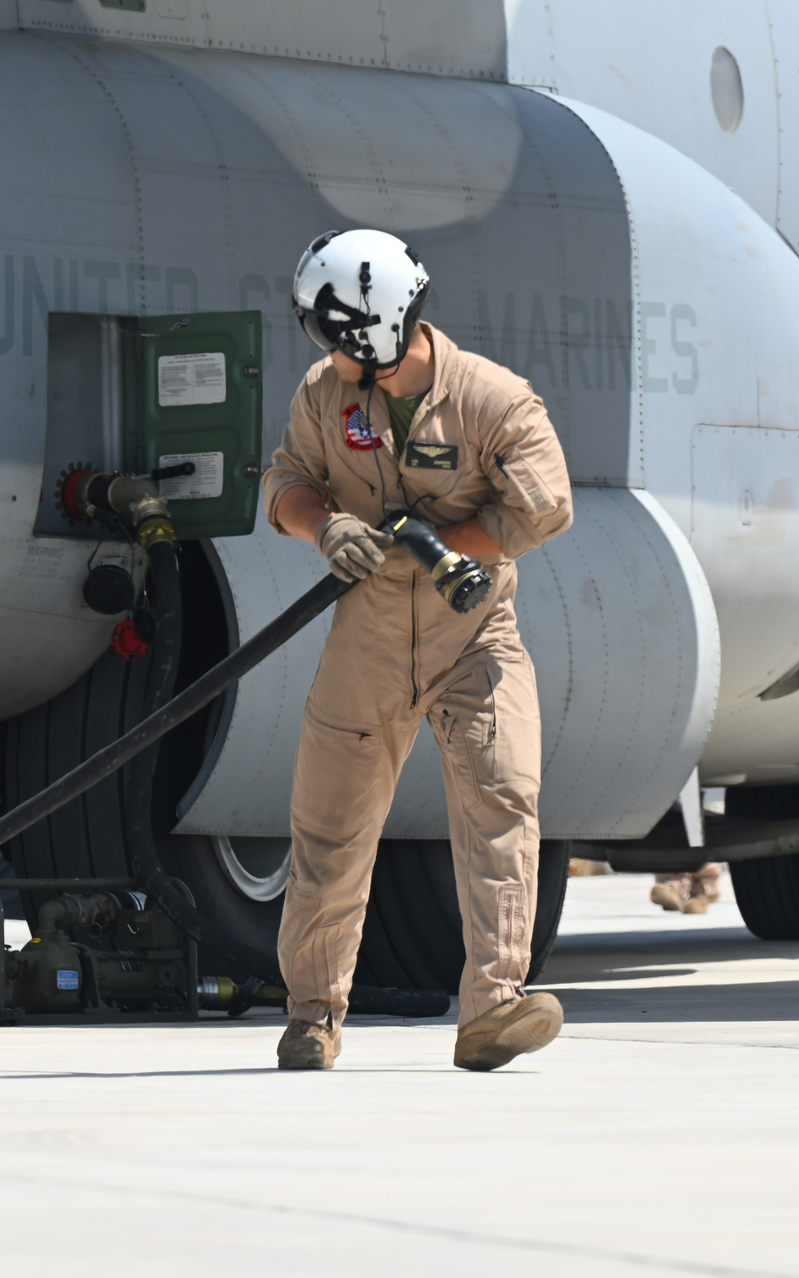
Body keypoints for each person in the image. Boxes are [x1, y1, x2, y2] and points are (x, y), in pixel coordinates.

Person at [262, 229, 575, 1071]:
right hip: (365, 639)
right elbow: (284, 479)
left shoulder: (494, 402)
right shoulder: (326, 395)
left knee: (502, 804)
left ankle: (493, 1010)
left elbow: (546, 510)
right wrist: (322, 524)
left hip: (473, 634)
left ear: (373, 328)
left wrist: (449, 542)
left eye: (335, 337)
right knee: (330, 825)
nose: (327, 353)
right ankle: (312, 1016)